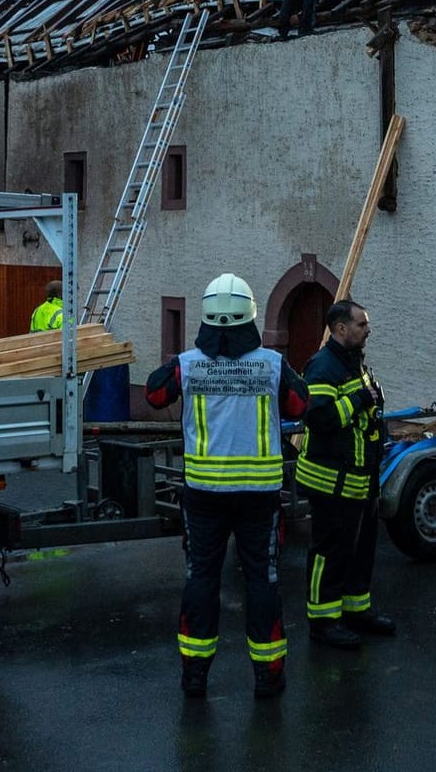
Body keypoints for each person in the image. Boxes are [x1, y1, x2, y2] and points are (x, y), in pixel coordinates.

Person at [144, 273, 309, 700]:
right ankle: (268, 676)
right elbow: (300, 404)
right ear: (251, 316)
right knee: (263, 581)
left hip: (204, 496)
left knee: (201, 577)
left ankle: (194, 676)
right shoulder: (273, 365)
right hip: (259, 497)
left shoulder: (187, 365)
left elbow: (155, 396)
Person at [297, 299, 395, 648]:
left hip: (360, 480)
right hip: (332, 482)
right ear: (341, 329)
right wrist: (357, 401)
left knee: (360, 550)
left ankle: (356, 611)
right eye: (361, 324)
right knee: (330, 552)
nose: (367, 329)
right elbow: (319, 418)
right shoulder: (323, 367)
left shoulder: (354, 364)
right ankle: (323, 622)